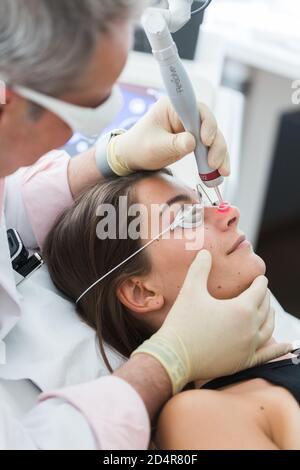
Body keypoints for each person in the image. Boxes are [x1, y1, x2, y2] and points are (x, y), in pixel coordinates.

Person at [0, 1, 290, 450]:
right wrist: (167, 361)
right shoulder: (206, 418)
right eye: (91, 110)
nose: (229, 211)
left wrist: (108, 158)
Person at [44, 170, 299, 450]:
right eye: (186, 217)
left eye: (202, 203)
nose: (230, 213)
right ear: (141, 291)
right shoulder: (199, 418)